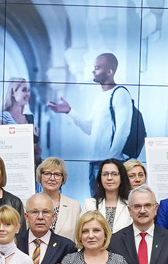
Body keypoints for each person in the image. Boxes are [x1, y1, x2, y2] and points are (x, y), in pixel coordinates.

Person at [46, 53, 137, 183]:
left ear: (109, 72)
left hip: (110, 164)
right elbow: (89, 128)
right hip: (95, 162)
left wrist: (111, 161)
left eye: (97, 68)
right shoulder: (100, 97)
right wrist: (69, 111)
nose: (93, 71)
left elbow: (123, 130)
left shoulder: (120, 93)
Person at [35, 158, 82, 239]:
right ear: (40, 176)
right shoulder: (28, 205)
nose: (52, 178)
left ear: (63, 179)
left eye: (57, 174)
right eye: (47, 173)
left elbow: (78, 238)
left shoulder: (74, 206)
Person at [83, 159, 132, 232]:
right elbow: (82, 232)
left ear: (121, 177)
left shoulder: (131, 205)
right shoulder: (89, 204)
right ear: (100, 178)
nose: (109, 178)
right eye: (105, 174)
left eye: (114, 174)